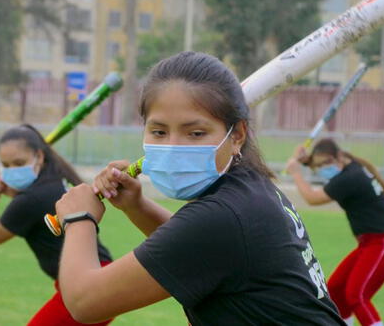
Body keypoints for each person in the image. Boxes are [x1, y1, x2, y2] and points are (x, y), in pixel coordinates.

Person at [53, 51, 344, 325]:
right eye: (159, 131)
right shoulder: (249, 191)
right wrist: (136, 206)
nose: (173, 146)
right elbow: (196, 252)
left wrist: (79, 219)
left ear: (237, 135)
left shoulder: (224, 216)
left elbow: (84, 302)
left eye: (195, 133)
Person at [0, 124, 114, 325]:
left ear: (39, 157)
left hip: (87, 286)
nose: (12, 170)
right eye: (5, 166)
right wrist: (14, 194)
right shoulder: (56, 181)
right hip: (96, 277)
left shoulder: (31, 199)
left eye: (19, 163)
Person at [286, 138, 384, 326]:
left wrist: (296, 173)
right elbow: (323, 161)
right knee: (335, 292)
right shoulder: (351, 167)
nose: (324, 168)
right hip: (369, 244)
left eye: (326, 163)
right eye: (319, 166)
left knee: (357, 295)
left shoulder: (349, 179)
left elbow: (312, 198)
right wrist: (305, 160)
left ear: (339, 157)